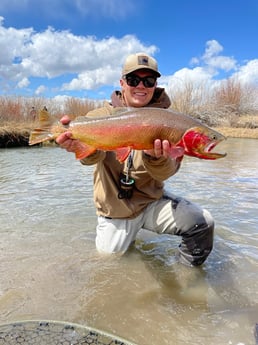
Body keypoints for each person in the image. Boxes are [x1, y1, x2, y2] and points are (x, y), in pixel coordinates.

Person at [56, 52, 214, 266]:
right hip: (116, 210)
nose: (141, 85)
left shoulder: (170, 121)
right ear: (122, 83)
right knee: (108, 266)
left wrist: (154, 157)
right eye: (133, 79)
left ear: (155, 84)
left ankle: (185, 282)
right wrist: (79, 146)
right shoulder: (101, 115)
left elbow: (166, 172)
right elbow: (91, 158)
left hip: (151, 203)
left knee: (203, 223)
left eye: (148, 80)